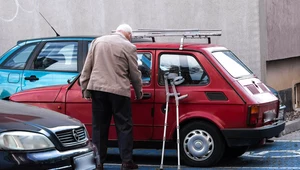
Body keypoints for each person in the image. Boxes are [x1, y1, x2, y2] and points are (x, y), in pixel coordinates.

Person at [80, 24, 143, 170]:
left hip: (98, 89)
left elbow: (87, 67)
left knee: (99, 127)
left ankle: (99, 162)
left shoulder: (97, 42)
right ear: (129, 35)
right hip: (119, 91)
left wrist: (85, 89)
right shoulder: (128, 47)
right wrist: (139, 92)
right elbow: (135, 73)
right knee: (124, 126)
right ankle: (127, 162)